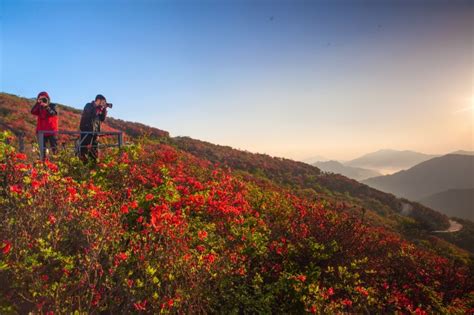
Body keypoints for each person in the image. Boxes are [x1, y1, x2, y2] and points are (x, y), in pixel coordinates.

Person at [79, 94, 109, 162]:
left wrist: (104, 109)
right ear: (98, 100)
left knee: (94, 152)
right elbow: (91, 114)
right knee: (84, 152)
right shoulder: (88, 105)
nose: (103, 104)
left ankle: (93, 167)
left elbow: (102, 119)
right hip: (86, 131)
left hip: (95, 132)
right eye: (102, 102)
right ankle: (83, 168)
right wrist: (99, 108)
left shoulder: (99, 108)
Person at [31, 91, 58, 158]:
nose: (43, 100)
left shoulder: (52, 105)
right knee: (42, 150)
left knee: (54, 148)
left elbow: (53, 113)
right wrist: (38, 103)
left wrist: (46, 107)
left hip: (51, 130)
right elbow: (33, 112)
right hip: (41, 130)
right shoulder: (39, 107)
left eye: (44, 98)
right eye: (41, 98)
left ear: (48, 98)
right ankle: (43, 164)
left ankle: (57, 162)